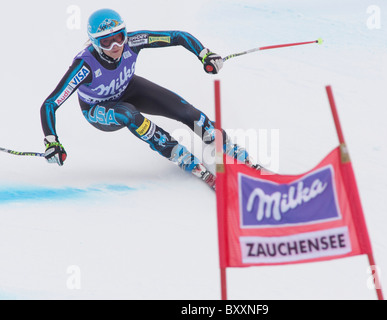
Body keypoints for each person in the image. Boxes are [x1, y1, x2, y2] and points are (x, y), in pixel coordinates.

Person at [40, 8, 259, 191]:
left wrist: (204, 54)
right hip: (98, 109)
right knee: (128, 113)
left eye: (119, 37)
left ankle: (225, 144)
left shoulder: (133, 41)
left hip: (129, 88)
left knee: (186, 112)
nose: (116, 46)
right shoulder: (84, 66)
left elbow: (178, 36)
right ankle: (179, 155)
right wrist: (52, 141)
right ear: (95, 43)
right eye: (106, 42)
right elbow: (50, 104)